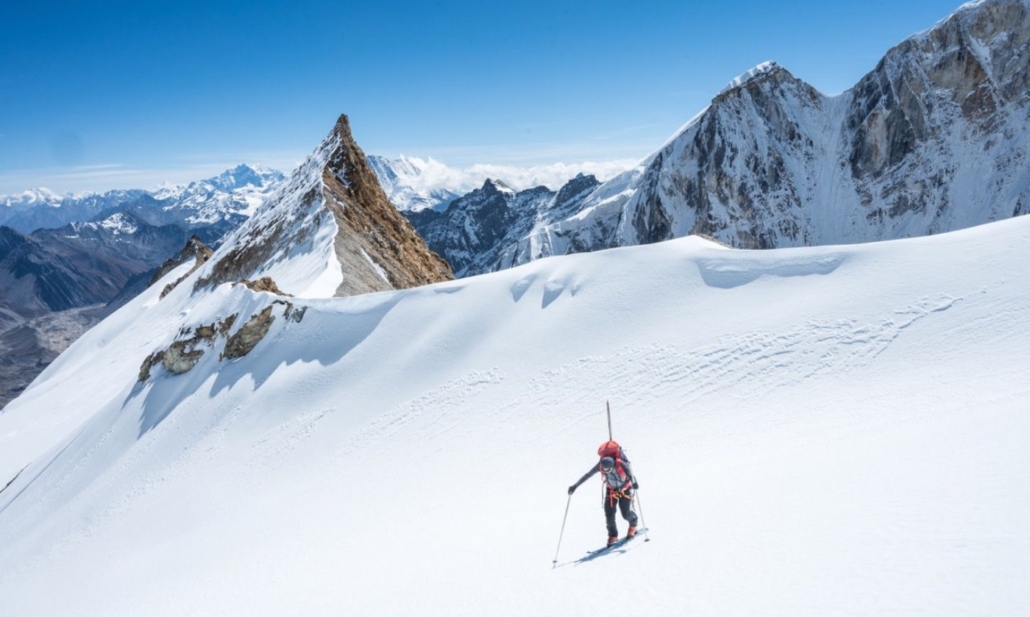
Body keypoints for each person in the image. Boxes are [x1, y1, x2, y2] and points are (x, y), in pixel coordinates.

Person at [568, 441, 640, 547]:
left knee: (625, 513)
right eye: (604, 470)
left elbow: (629, 473)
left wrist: (634, 482)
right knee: (609, 515)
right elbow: (588, 475)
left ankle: (633, 523)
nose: (606, 471)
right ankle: (613, 535)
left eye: (608, 469)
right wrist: (575, 486)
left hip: (624, 489)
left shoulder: (619, 463)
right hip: (610, 490)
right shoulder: (600, 465)